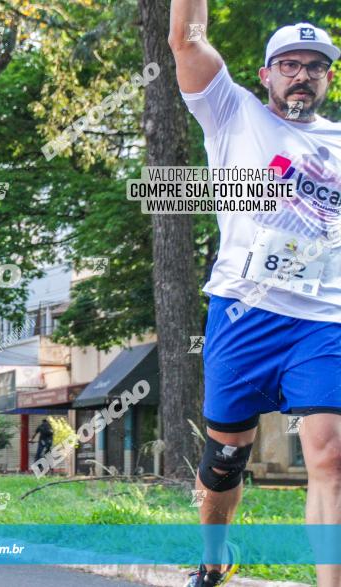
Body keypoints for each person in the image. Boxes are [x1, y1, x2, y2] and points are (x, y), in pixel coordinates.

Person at [170, 5, 341, 586]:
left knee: (329, 456)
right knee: (225, 458)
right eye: (288, 65)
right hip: (242, 313)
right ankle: (214, 553)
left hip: (322, 320)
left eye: (315, 67)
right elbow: (186, 41)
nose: (302, 75)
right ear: (265, 74)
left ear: (329, 79)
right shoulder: (232, 113)